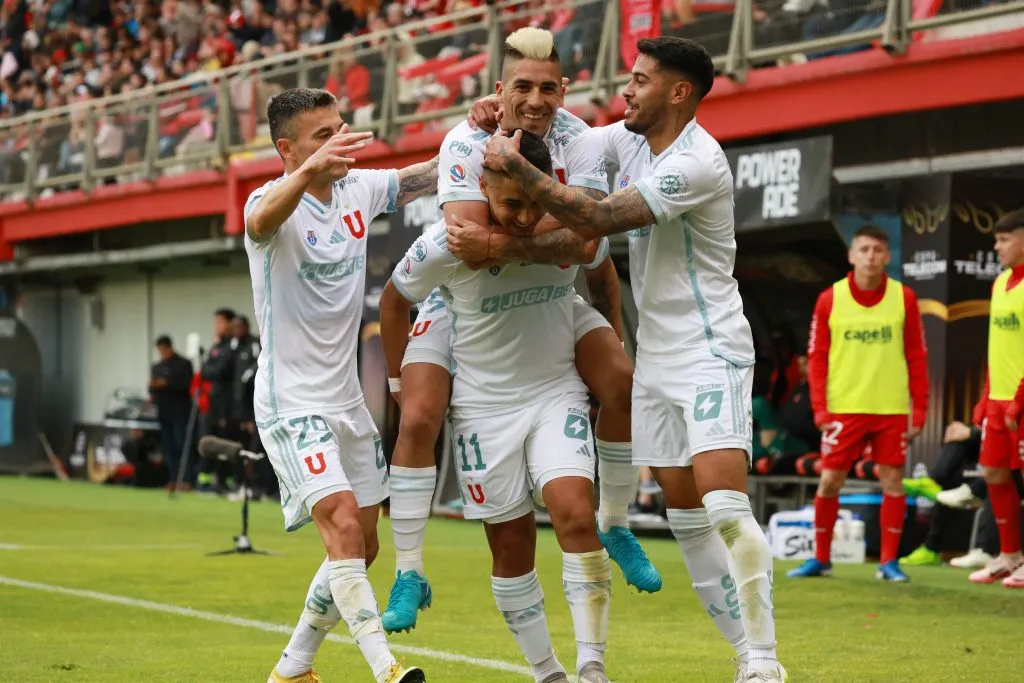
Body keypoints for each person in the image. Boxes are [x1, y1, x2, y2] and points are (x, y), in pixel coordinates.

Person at [450, 36, 785, 683]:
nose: (625, 92)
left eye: (637, 81)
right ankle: (742, 650)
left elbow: (600, 215)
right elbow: (550, 120)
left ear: (678, 92)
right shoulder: (629, 139)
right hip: (656, 354)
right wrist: (496, 110)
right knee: (687, 522)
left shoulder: (699, 161)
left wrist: (519, 177)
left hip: (711, 347)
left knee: (723, 508)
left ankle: (766, 662)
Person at [380, 26, 660, 636]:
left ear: (564, 89)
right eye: (522, 88)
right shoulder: (464, 139)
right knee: (420, 416)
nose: (535, 101)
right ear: (500, 89)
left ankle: (615, 521)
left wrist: (602, 334)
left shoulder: (579, 137)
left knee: (620, 379)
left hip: (552, 298)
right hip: (462, 304)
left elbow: (584, 240)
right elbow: (469, 246)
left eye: (547, 89)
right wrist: (398, 382)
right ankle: (408, 569)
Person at [383, 128, 612, 683]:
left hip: (554, 391)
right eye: (511, 203)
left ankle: (592, 665)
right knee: (511, 548)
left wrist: (612, 342)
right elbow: (393, 303)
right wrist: (396, 382)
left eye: (535, 202)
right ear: (482, 186)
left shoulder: (570, 233)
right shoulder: (449, 242)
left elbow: (603, 272)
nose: (525, 217)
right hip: (483, 409)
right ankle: (547, 671)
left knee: (577, 515)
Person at [243, 87, 438, 683]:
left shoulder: (359, 190)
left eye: (340, 128)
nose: (338, 142)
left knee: (364, 545)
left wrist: (484, 131)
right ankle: (387, 670)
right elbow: (257, 221)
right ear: (286, 149)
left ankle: (294, 668)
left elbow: (422, 177)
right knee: (345, 528)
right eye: (321, 135)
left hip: (347, 400)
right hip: (291, 400)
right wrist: (305, 175)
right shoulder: (270, 202)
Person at [787, 225, 928, 583]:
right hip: (843, 408)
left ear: (888, 256)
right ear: (851, 255)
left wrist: (921, 408)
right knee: (830, 480)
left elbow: (917, 356)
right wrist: (820, 407)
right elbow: (816, 357)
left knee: (892, 482)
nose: (870, 256)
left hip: (890, 408)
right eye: (863, 249)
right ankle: (820, 558)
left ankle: (888, 563)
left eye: (878, 249)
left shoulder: (904, 298)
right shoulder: (829, 299)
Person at [968, 207, 1024, 588]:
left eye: (1004, 240)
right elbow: (998, 347)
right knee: (994, 473)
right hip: (999, 400)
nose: (997, 247)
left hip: (1021, 400)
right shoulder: (1000, 283)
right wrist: (987, 396)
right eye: (997, 240)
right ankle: (1009, 556)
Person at [197, 307, 238, 492]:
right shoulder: (216, 346)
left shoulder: (233, 346)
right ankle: (206, 479)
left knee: (226, 441)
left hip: (227, 404)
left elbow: (222, 371)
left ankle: (225, 480)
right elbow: (205, 371)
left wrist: (212, 371)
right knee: (208, 439)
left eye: (220, 322)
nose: (217, 326)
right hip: (212, 403)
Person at [149, 335, 194, 487]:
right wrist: (154, 386)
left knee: (183, 445)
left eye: (163, 349)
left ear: (170, 347)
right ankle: (173, 479)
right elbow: (152, 389)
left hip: (180, 412)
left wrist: (166, 384)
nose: (162, 352)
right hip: (164, 412)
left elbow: (185, 385)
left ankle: (187, 479)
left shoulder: (183, 364)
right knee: (169, 448)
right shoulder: (157, 367)